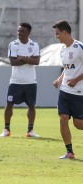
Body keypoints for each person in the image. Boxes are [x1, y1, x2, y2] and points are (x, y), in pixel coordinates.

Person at [0, 22, 40, 138]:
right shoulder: (13, 44)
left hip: (31, 81)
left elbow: (37, 61)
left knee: (31, 105)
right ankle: (6, 129)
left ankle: (30, 131)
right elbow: (13, 62)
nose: (19, 33)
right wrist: (28, 59)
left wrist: (22, 58)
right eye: (18, 31)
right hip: (16, 81)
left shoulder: (34, 45)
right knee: (9, 104)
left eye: (22, 31)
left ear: (28, 33)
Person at [53, 20, 83, 159]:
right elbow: (67, 69)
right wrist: (60, 79)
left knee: (78, 124)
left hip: (79, 92)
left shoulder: (79, 47)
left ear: (65, 32)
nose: (56, 36)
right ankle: (69, 152)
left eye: (57, 33)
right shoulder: (63, 50)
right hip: (65, 90)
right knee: (63, 118)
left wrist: (76, 80)